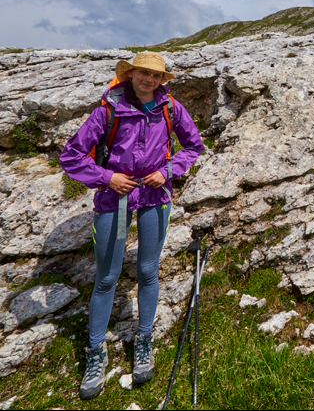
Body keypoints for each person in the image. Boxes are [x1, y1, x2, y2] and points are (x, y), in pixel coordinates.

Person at [60, 52, 204, 400]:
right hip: (114, 199)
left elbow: (193, 146)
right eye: (143, 73)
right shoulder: (107, 111)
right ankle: (95, 352)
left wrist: (167, 172)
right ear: (131, 75)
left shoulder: (170, 108)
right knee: (107, 277)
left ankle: (144, 341)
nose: (149, 80)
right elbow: (71, 155)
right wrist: (107, 177)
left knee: (148, 271)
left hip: (155, 196)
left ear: (161, 80)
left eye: (156, 76)